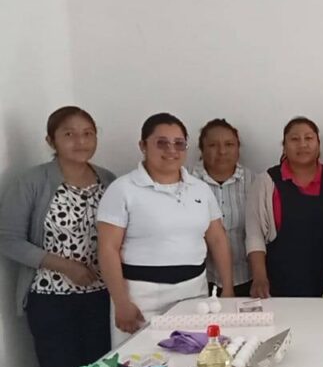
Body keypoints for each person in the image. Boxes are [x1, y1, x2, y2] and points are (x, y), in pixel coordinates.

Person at [0, 107, 116, 367]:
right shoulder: (32, 182)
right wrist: (66, 266)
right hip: (51, 299)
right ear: (51, 141)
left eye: (88, 133)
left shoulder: (108, 180)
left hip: (101, 297)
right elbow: (8, 239)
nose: (80, 141)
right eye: (69, 134)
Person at [97, 113, 234, 346]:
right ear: (143, 145)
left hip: (194, 295)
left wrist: (228, 288)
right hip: (141, 299)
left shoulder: (200, 189)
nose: (171, 150)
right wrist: (121, 302)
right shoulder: (123, 189)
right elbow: (108, 248)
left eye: (179, 143)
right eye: (162, 143)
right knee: (140, 360)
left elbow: (217, 239)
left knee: (194, 357)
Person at [246, 117, 323, 299]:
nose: (302, 144)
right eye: (294, 139)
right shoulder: (266, 182)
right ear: (284, 146)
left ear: (318, 144)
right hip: (278, 284)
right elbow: (254, 235)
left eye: (309, 138)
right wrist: (259, 278)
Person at [192, 119, 255, 297]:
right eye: (213, 145)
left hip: (247, 278)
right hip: (200, 280)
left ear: (238, 148)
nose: (222, 151)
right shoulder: (187, 181)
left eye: (229, 144)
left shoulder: (254, 182)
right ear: (202, 149)